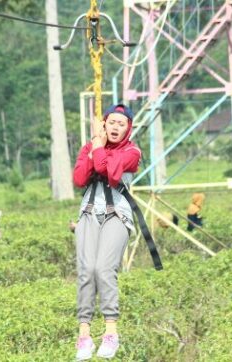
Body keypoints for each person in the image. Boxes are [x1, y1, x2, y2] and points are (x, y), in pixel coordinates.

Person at [72, 104, 141, 360]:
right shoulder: (91, 146)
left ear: (128, 129)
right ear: (104, 123)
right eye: (111, 122)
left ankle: (111, 331)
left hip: (117, 214)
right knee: (86, 270)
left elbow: (105, 170)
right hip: (89, 212)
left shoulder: (132, 152)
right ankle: (84, 335)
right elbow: (80, 179)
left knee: (103, 269)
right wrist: (93, 146)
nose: (115, 128)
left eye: (121, 124)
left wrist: (98, 147)